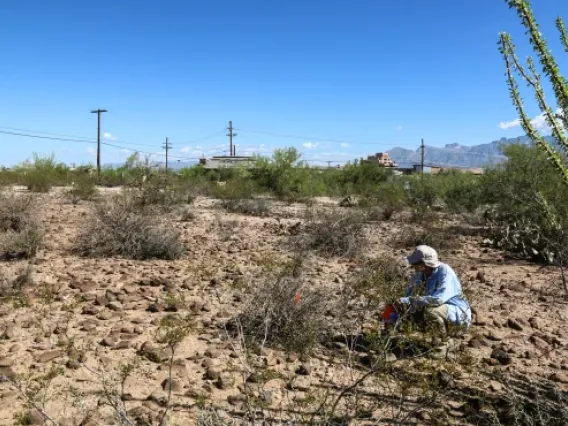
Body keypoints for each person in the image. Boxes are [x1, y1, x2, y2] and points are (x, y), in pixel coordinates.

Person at [384, 245, 472, 345]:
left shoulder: (445, 272)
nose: (412, 265)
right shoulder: (419, 275)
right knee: (393, 306)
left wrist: (407, 300)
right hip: (433, 310)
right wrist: (398, 305)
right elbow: (408, 296)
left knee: (431, 311)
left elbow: (438, 300)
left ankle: (440, 345)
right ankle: (388, 338)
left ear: (424, 263)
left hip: (456, 313)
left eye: (415, 263)